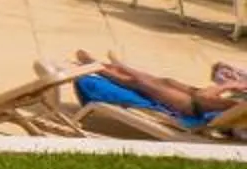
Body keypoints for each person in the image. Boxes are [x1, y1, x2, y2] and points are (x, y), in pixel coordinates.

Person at [70, 52, 247, 126]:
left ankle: (101, 68)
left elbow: (202, 97)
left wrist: (229, 85)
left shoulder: (238, 103)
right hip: (194, 101)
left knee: (140, 83)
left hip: (191, 108)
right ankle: (111, 66)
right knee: (164, 81)